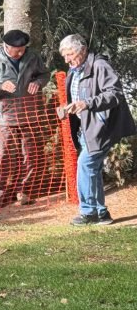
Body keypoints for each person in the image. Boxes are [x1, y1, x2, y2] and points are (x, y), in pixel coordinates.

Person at [59, 34, 136, 226]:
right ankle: (102, 213)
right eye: (64, 56)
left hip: (102, 127)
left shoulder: (100, 66)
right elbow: (78, 97)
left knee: (85, 165)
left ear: (83, 50)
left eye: (70, 54)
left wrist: (87, 103)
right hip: (85, 129)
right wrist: (69, 108)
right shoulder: (73, 70)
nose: (67, 60)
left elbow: (115, 94)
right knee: (92, 168)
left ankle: (88, 212)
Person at [0, 30, 50, 208]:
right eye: (16, 50)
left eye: (22, 49)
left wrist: (38, 83)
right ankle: (0, 192)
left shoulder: (33, 57)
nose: (20, 53)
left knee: (30, 155)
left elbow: (44, 74)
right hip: (2, 118)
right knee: (2, 156)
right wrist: (0, 86)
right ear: (6, 46)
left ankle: (24, 190)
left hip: (29, 114)